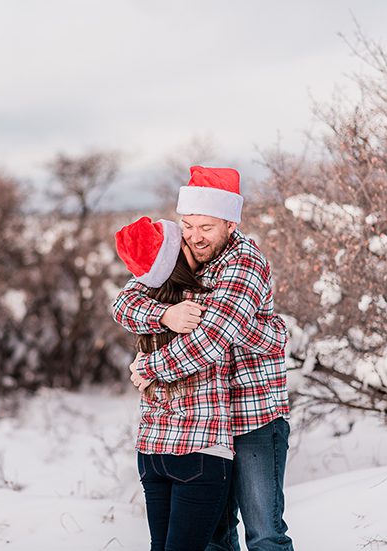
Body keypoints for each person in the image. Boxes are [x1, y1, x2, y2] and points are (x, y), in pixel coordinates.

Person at [113, 166, 294, 551]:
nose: (194, 237)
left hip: (252, 416)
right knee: (215, 538)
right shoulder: (181, 249)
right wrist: (165, 314)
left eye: (206, 228)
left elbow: (211, 341)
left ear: (229, 223)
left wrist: (150, 367)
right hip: (207, 426)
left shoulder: (243, 261)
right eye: (188, 225)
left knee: (264, 534)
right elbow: (125, 301)